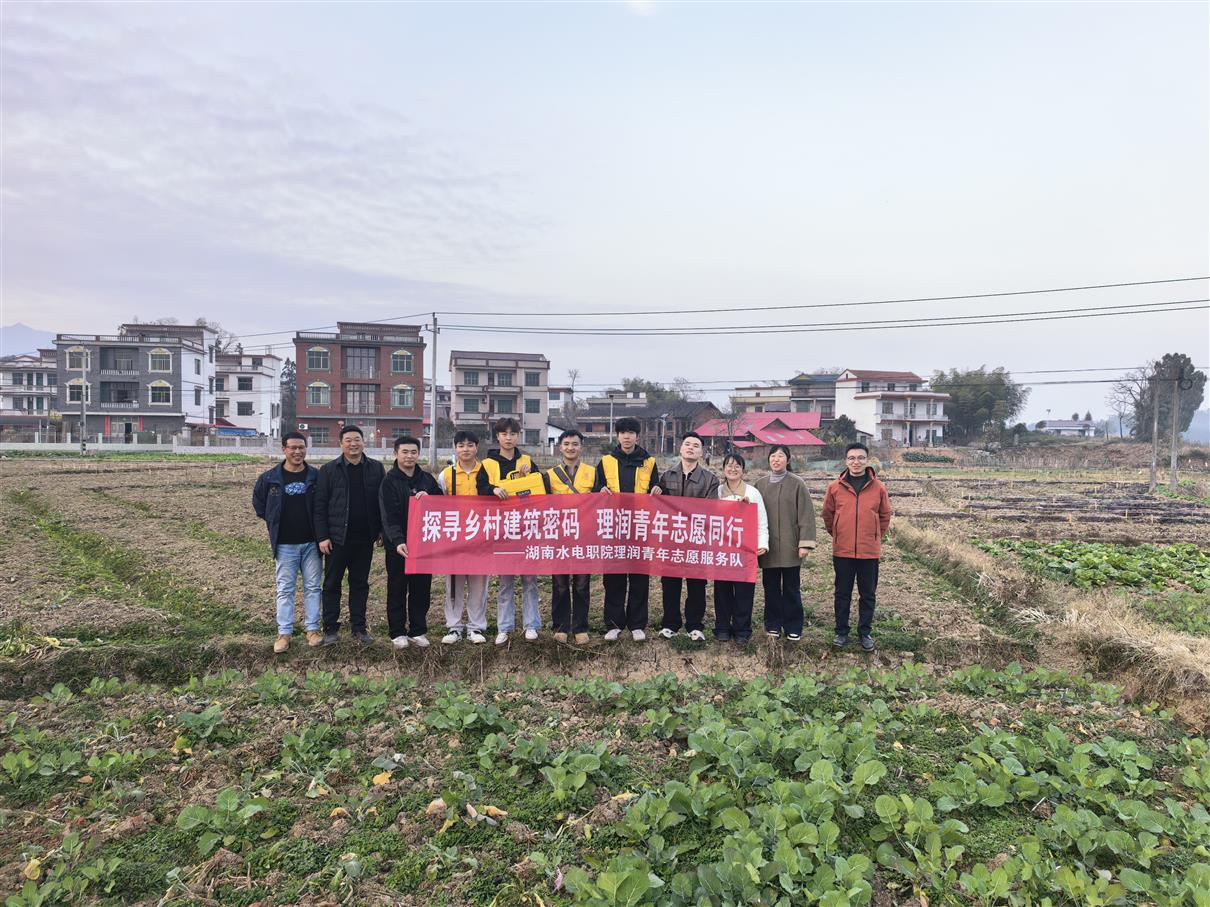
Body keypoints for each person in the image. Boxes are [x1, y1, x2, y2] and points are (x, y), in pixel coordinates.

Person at [314, 425, 385, 647]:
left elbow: (382, 502)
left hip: (364, 538)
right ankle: (330, 629)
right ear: (341, 444)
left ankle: (359, 628)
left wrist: (381, 530)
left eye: (357, 440)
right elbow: (319, 505)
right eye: (348, 440)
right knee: (331, 584)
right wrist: (322, 536)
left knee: (360, 584)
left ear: (364, 442)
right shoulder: (329, 470)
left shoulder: (375, 468)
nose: (353, 444)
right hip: (337, 539)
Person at [252, 431, 322, 653]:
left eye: (301, 447)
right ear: (284, 449)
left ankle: (312, 630)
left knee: (313, 587)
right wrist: (274, 521)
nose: (297, 451)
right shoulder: (270, 478)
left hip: (312, 543)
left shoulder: (316, 476)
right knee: (285, 589)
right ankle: (284, 633)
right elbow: (259, 504)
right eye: (293, 447)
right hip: (284, 544)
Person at [822, 442, 892, 652]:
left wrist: (874, 536)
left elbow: (884, 516)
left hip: (869, 551)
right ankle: (841, 632)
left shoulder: (878, 487)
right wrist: (838, 533)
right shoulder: (835, 487)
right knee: (842, 593)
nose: (856, 462)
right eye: (852, 458)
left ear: (867, 460)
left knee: (867, 594)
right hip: (842, 550)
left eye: (861, 458)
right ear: (846, 461)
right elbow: (827, 515)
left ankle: (865, 632)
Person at [477, 417, 541, 644]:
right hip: (501, 529)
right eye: (504, 434)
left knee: (530, 580)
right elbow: (480, 489)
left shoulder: (527, 461)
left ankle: (531, 625)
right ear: (497, 436)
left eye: (513, 434)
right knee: (505, 581)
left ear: (518, 436)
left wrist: (528, 477)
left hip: (526, 528)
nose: (508, 438)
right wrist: (493, 489)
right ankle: (504, 627)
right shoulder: (487, 464)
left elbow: (539, 490)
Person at [593, 416, 657, 642]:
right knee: (613, 577)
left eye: (631, 432)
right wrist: (600, 491)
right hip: (614, 527)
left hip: (640, 527)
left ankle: (637, 624)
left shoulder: (649, 462)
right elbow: (596, 490)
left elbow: (656, 488)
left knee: (639, 577)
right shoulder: (605, 461)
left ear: (637, 436)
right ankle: (614, 624)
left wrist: (658, 489)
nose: (627, 436)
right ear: (618, 436)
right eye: (622, 432)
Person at [654, 431, 719, 641]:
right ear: (680, 449)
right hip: (672, 540)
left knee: (697, 583)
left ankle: (695, 625)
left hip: (697, 539)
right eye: (687, 444)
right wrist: (655, 494)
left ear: (702, 452)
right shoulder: (666, 476)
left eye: (696, 445)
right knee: (670, 583)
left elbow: (711, 509)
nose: (691, 448)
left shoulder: (710, 479)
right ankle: (670, 624)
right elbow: (660, 507)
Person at [379, 435, 442, 650]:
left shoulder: (427, 479)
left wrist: (430, 497)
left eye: (413, 452)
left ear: (418, 454)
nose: (409, 456)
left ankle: (418, 630)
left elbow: (442, 503)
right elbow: (388, 516)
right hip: (398, 546)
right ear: (395, 454)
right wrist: (397, 540)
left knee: (421, 589)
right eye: (404, 452)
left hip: (424, 544)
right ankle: (397, 632)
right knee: (397, 587)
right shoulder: (389, 482)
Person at [754, 444, 816, 641]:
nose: (776, 459)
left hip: (791, 545)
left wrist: (804, 543)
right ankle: (772, 624)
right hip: (768, 546)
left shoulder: (797, 483)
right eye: (773, 456)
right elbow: (752, 514)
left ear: (788, 460)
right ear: (769, 459)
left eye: (781, 456)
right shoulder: (760, 485)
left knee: (791, 588)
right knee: (770, 587)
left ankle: (793, 626)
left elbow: (806, 514)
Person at [543, 429, 596, 644]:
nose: (570, 448)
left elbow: (600, 501)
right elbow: (542, 503)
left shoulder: (592, 472)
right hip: (559, 536)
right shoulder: (550, 475)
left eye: (575, 444)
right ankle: (561, 626)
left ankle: (580, 627)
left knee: (582, 583)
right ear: (560, 447)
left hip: (585, 535)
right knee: (560, 584)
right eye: (566, 444)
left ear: (581, 447)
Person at [437, 430, 489, 644]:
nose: (465, 449)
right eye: (461, 445)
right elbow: (438, 503)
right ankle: (454, 627)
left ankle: (476, 627)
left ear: (477, 447)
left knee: (479, 584)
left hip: (481, 536)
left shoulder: (487, 471)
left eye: (470, 445)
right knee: (454, 584)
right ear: (455, 448)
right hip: (455, 537)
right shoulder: (446, 475)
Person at [714, 453, 768, 643]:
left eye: (737, 466)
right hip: (722, 549)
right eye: (729, 465)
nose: (733, 469)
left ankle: (742, 629)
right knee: (722, 590)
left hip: (745, 549)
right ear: (723, 469)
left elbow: (761, 520)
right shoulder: (717, 492)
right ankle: (722, 627)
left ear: (743, 470)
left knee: (744, 591)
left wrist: (762, 543)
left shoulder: (752, 493)